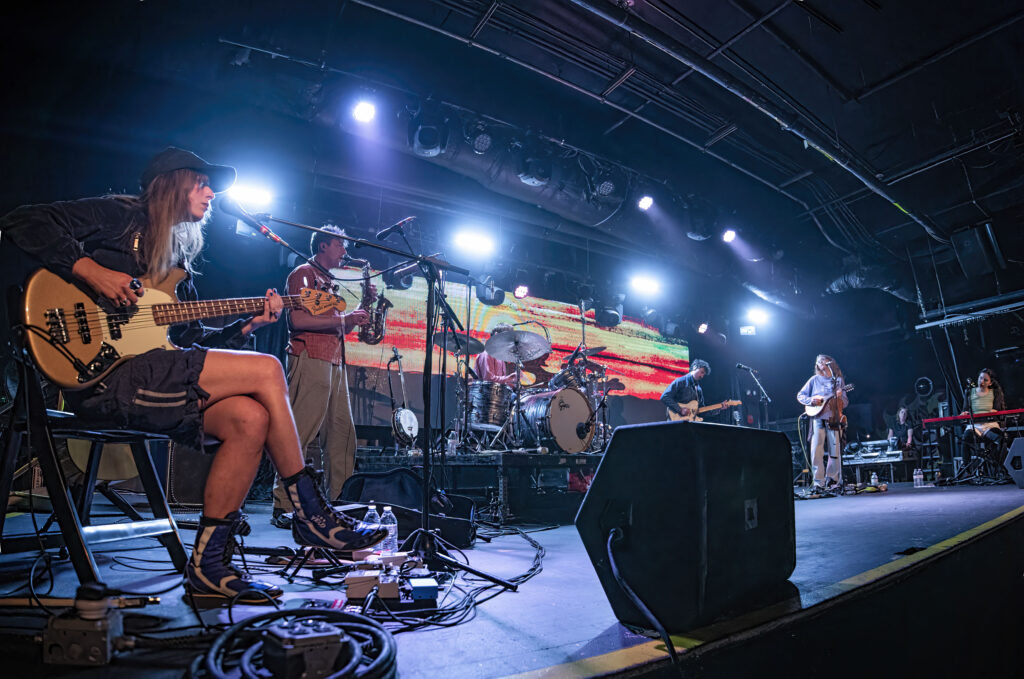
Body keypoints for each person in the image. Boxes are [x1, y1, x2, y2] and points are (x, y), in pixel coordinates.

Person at [0, 147, 385, 603]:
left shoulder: (178, 261)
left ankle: (209, 567)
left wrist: (248, 326)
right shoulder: (121, 216)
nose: (211, 193)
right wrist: (94, 273)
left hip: (153, 374)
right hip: (107, 377)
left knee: (249, 418)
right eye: (202, 183)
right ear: (174, 182)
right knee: (269, 368)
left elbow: (189, 341)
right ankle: (311, 512)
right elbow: (22, 221)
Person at [270, 225, 372, 528]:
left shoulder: (329, 282)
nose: (344, 251)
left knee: (342, 436)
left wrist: (359, 311)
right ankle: (283, 504)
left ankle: (339, 502)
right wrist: (345, 318)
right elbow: (297, 319)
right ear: (323, 245)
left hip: (334, 360)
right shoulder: (304, 273)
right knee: (299, 433)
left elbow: (340, 325)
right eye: (340, 245)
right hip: (310, 356)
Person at [796, 354, 849, 491]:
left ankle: (833, 480)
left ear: (830, 362)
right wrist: (811, 401)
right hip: (817, 418)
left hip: (834, 418)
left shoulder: (838, 381)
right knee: (816, 450)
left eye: (823, 360)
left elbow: (845, 402)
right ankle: (819, 482)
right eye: (818, 361)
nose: (820, 362)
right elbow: (800, 395)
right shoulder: (814, 380)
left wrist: (839, 398)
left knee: (835, 450)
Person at [959, 368, 1006, 469]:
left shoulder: (995, 392)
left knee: (1001, 439)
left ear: (990, 383)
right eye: (980, 378)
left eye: (985, 380)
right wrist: (964, 413)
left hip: (990, 425)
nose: (982, 382)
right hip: (975, 426)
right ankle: (967, 469)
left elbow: (996, 410)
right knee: (965, 439)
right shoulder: (969, 392)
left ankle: (998, 466)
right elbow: (965, 409)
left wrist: (992, 411)